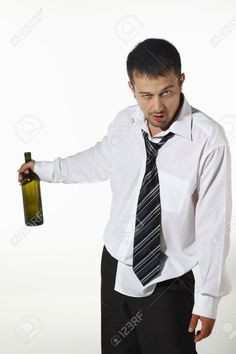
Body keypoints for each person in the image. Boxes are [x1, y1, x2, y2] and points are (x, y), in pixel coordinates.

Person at [17, 38, 232, 354]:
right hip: (115, 265)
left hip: (168, 279)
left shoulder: (208, 140)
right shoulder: (125, 123)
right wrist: (43, 169)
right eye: (146, 95)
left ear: (181, 81)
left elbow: (213, 223)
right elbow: (96, 161)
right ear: (132, 88)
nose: (156, 106)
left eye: (166, 92)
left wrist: (209, 297)